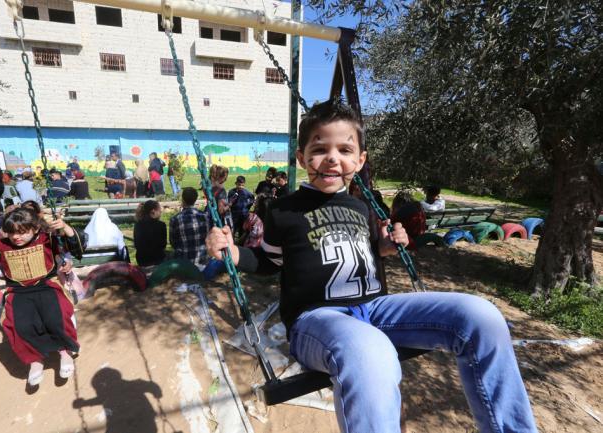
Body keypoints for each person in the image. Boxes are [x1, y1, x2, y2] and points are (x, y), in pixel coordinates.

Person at [206, 99, 537, 433]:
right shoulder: (284, 211)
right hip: (317, 320)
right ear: (302, 158)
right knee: (368, 350)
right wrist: (233, 253)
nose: (332, 158)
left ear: (359, 160)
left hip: (376, 309)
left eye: (345, 150)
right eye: (320, 149)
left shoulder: (360, 207)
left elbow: (365, 254)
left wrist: (386, 247)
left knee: (480, 316)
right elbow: (268, 261)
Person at [0, 207, 84, 386]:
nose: (16, 237)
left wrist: (65, 227)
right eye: (11, 233)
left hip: (46, 286)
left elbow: (75, 246)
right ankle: (35, 360)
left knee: (55, 317)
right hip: (18, 291)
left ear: (35, 229)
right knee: (20, 325)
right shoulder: (1, 245)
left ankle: (65, 352)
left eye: (22, 232)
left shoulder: (47, 239)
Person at [169, 187, 209, 269]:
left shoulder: (175, 219)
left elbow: (173, 242)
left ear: (183, 199)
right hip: (203, 261)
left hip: (184, 263)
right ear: (195, 200)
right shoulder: (205, 216)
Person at [133, 200, 167, 266]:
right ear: (153, 211)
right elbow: (163, 244)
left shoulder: (138, 224)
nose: (161, 211)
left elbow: (137, 244)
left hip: (142, 259)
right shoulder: (161, 225)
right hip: (158, 259)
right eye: (159, 209)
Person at [227, 175, 255, 240]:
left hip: (244, 215)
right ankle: (232, 241)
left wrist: (248, 206)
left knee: (242, 230)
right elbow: (229, 201)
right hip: (234, 215)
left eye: (242, 185)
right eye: (239, 185)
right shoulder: (231, 192)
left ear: (244, 184)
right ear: (236, 183)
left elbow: (252, 198)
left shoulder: (246, 192)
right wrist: (232, 200)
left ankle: (241, 243)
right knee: (233, 230)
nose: (240, 187)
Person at [208, 164, 232, 228]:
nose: (226, 179)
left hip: (211, 218)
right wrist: (229, 205)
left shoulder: (210, 187)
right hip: (221, 221)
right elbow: (221, 210)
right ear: (223, 176)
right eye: (226, 177)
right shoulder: (221, 190)